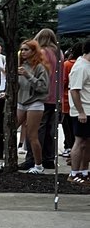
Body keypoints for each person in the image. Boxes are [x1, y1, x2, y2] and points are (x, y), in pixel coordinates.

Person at [16, 39, 50, 174]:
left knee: (32, 135)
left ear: (33, 51)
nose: (23, 52)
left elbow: (43, 87)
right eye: (22, 49)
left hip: (35, 102)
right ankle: (9, 161)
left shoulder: (40, 67)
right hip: (21, 101)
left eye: (26, 49)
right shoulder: (20, 65)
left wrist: (28, 75)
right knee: (11, 130)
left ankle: (38, 165)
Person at [34, 27, 63, 170]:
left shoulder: (42, 53)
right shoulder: (60, 53)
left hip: (43, 96)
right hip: (56, 96)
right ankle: (49, 158)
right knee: (52, 129)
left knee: (39, 128)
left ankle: (36, 158)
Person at [66, 39, 90, 184]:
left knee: (88, 142)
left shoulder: (87, 65)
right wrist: (80, 111)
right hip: (83, 110)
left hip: (89, 109)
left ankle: (84, 171)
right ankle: (74, 173)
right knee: (80, 141)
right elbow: (74, 90)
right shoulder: (80, 67)